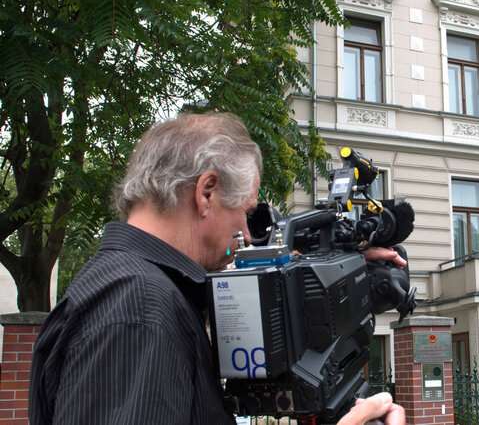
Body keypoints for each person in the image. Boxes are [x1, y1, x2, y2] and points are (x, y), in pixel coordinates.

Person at [29, 113, 405, 425]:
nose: (247, 234)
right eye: (246, 212)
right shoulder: (138, 310)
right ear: (206, 192)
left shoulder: (135, 290)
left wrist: (341, 261)